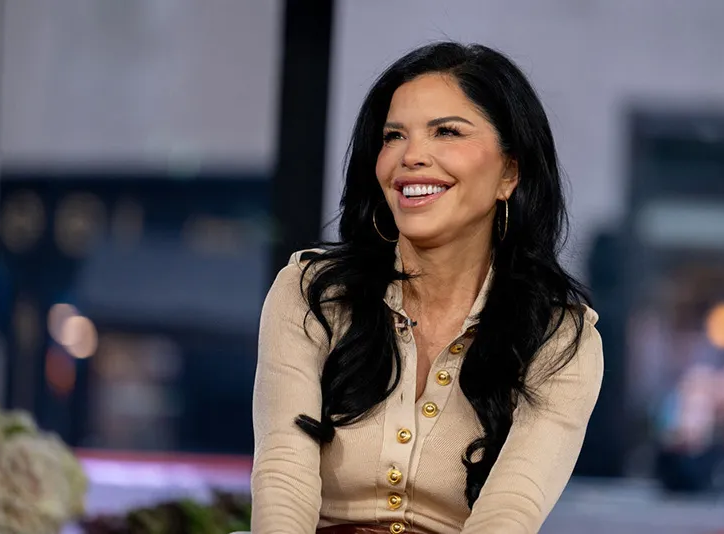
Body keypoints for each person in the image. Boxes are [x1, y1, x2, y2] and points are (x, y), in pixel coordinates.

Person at [251, 42, 603, 534]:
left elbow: (510, 513)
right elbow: (283, 477)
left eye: (447, 132)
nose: (412, 156)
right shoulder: (312, 294)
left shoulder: (559, 338)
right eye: (394, 136)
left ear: (509, 172)